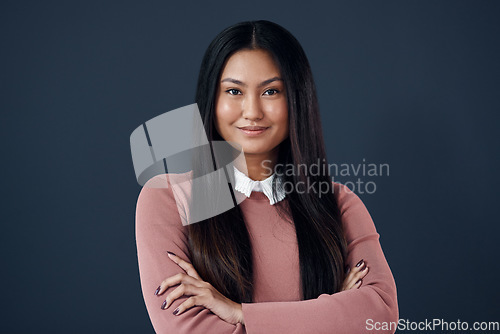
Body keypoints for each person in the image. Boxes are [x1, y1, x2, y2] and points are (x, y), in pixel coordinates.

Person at [135, 20, 398, 333]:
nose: (252, 111)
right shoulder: (168, 197)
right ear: (211, 101)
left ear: (298, 100)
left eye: (271, 91)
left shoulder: (338, 203)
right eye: (234, 91)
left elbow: (380, 315)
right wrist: (332, 313)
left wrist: (241, 314)